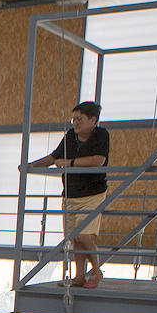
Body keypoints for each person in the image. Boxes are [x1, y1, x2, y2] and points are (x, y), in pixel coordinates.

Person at [25, 100, 110, 287]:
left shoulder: (101, 135)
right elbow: (54, 157)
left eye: (80, 119)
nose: (75, 123)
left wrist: (69, 163)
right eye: (74, 119)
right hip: (71, 193)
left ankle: (96, 272)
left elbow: (98, 160)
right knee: (75, 239)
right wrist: (31, 165)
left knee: (84, 235)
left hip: (92, 194)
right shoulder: (71, 136)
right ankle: (79, 276)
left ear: (93, 120)